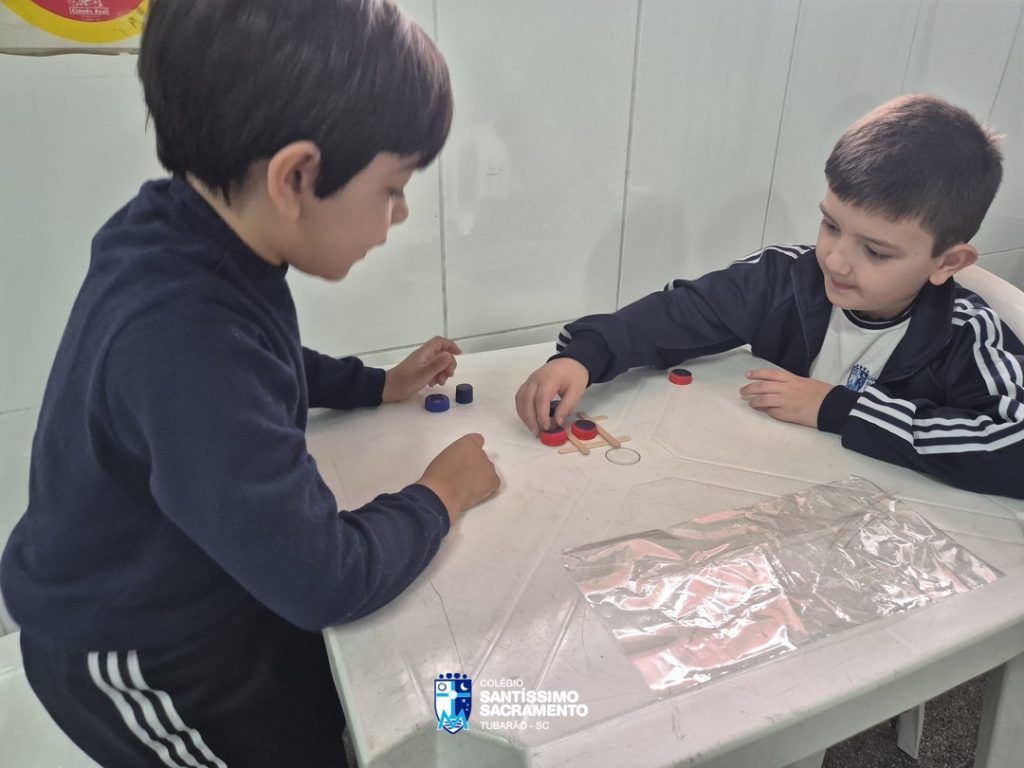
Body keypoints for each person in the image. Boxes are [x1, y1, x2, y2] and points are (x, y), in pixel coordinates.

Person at [0, 1, 499, 766]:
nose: (399, 214)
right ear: (295, 177)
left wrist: (376, 384)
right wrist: (441, 495)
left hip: (202, 582)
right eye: (393, 187)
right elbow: (327, 580)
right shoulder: (182, 339)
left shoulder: (182, 227)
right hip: (136, 653)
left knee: (327, 704)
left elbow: (261, 354)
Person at [516, 94, 1024, 499]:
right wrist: (585, 356)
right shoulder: (784, 276)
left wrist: (837, 409)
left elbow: (1015, 451)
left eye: (875, 251)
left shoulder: (967, 332)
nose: (836, 260)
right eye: (830, 225)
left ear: (947, 263)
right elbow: (680, 313)